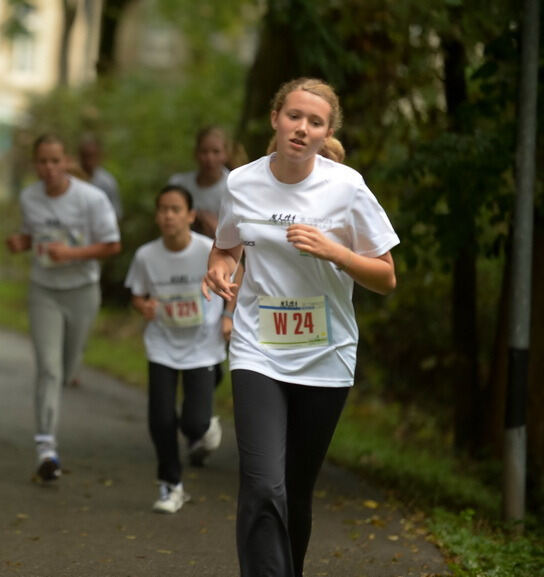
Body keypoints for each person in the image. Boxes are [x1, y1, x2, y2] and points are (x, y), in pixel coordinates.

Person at [203, 78, 399, 577]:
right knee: (264, 485)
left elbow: (385, 276)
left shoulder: (346, 187)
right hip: (257, 349)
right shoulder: (241, 182)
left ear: (325, 132)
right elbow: (227, 244)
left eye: (314, 122)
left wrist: (334, 251)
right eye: (294, 116)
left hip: (325, 354)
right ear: (276, 119)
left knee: (295, 490)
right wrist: (219, 265)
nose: (302, 128)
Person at [5, 134, 121, 482]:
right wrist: (20, 242)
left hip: (82, 290)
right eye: (42, 162)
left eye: (55, 161)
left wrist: (71, 254)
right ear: (35, 164)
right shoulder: (30, 197)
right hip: (45, 291)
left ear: (66, 161)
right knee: (49, 369)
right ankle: (46, 447)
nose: (49, 168)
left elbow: (113, 245)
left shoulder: (91, 198)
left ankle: (49, 435)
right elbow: (33, 235)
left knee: (68, 369)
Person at [125, 184, 227, 514]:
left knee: (194, 425)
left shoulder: (208, 251)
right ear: (157, 216)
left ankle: (206, 425)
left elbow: (233, 287)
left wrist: (228, 318)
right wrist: (144, 307)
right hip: (162, 345)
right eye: (163, 210)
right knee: (160, 419)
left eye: (176, 209)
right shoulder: (146, 256)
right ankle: (171, 484)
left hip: (203, 344)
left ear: (190, 215)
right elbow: (137, 295)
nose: (168, 216)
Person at [168, 126, 231, 237]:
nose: (209, 158)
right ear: (196, 153)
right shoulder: (179, 184)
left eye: (216, 152)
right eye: (204, 152)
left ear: (226, 154)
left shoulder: (234, 186)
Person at [78, 133, 122, 219]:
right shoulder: (72, 178)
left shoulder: (107, 182)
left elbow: (116, 213)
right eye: (85, 156)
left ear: (99, 156)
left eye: (92, 156)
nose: (89, 161)